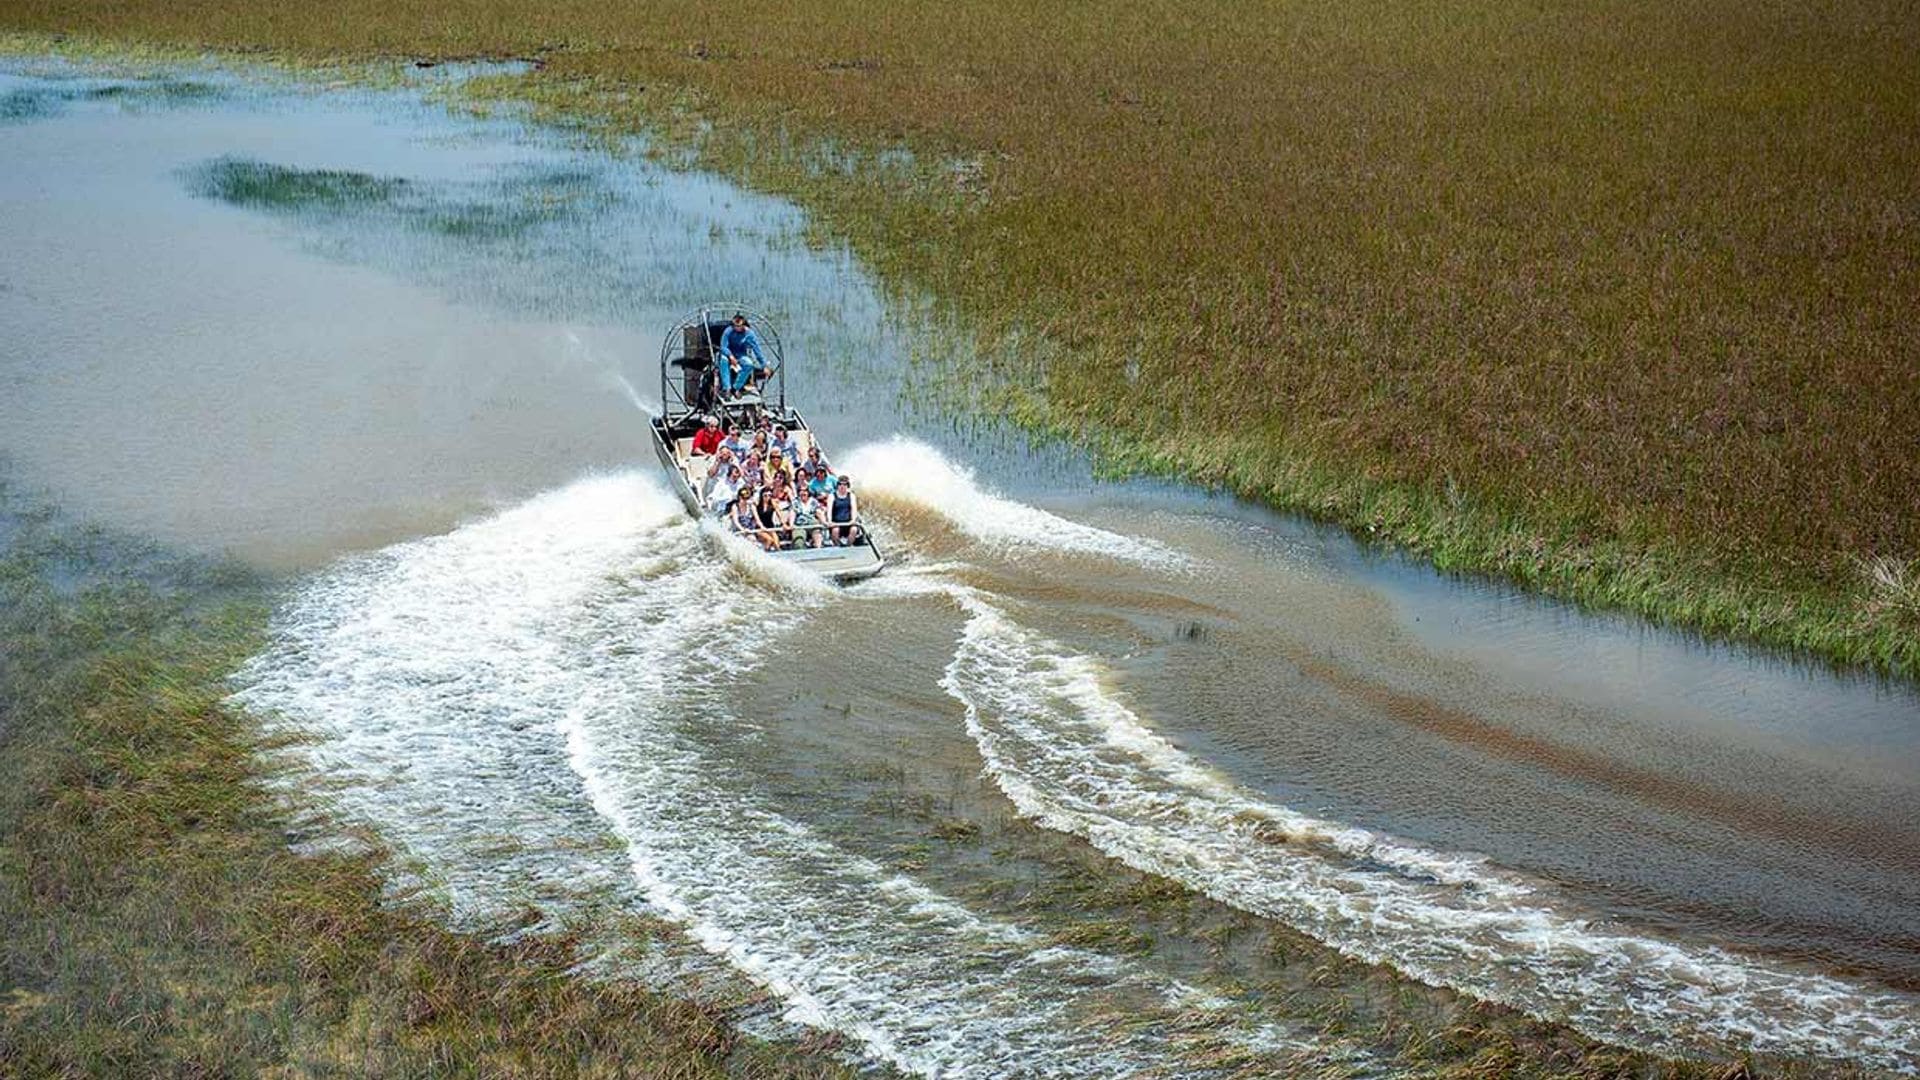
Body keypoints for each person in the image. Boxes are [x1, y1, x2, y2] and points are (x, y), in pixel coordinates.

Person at [718, 313, 773, 389]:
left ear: (744, 325)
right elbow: (723, 347)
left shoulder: (749, 334)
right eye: (735, 326)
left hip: (740, 354)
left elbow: (757, 350)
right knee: (723, 360)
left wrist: (764, 365)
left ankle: (736, 387)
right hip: (727, 354)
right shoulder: (728, 331)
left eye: (739, 326)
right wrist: (730, 356)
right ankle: (727, 388)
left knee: (749, 364)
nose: (736, 328)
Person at [829, 476, 862, 547]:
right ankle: (838, 546)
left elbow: (854, 509)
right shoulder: (832, 496)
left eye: (844, 485)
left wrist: (853, 520)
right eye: (840, 484)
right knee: (835, 531)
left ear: (848, 486)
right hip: (836, 523)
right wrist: (830, 521)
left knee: (854, 529)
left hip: (848, 522)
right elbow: (829, 510)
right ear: (837, 485)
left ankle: (848, 546)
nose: (842, 486)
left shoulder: (851, 496)